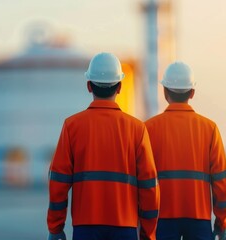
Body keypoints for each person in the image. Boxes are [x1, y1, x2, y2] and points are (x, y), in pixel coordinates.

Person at [47, 52, 160, 240]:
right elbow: (149, 186)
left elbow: (58, 183)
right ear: (120, 87)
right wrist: (148, 233)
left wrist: (55, 228)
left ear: (89, 86)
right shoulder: (137, 129)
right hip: (125, 227)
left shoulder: (72, 126)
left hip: (85, 227)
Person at [145, 62, 226, 240]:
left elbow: (142, 180)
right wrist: (222, 223)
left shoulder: (149, 129)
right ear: (192, 93)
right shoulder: (209, 128)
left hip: (162, 219)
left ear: (164, 91)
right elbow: (222, 182)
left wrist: (143, 222)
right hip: (199, 220)